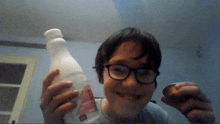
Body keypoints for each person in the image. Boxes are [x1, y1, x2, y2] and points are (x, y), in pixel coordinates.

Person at [40, 27, 215, 123]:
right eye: (119, 69)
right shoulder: (77, 117)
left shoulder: (157, 117)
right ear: (101, 76)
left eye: (145, 72)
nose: (131, 83)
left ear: (154, 81)